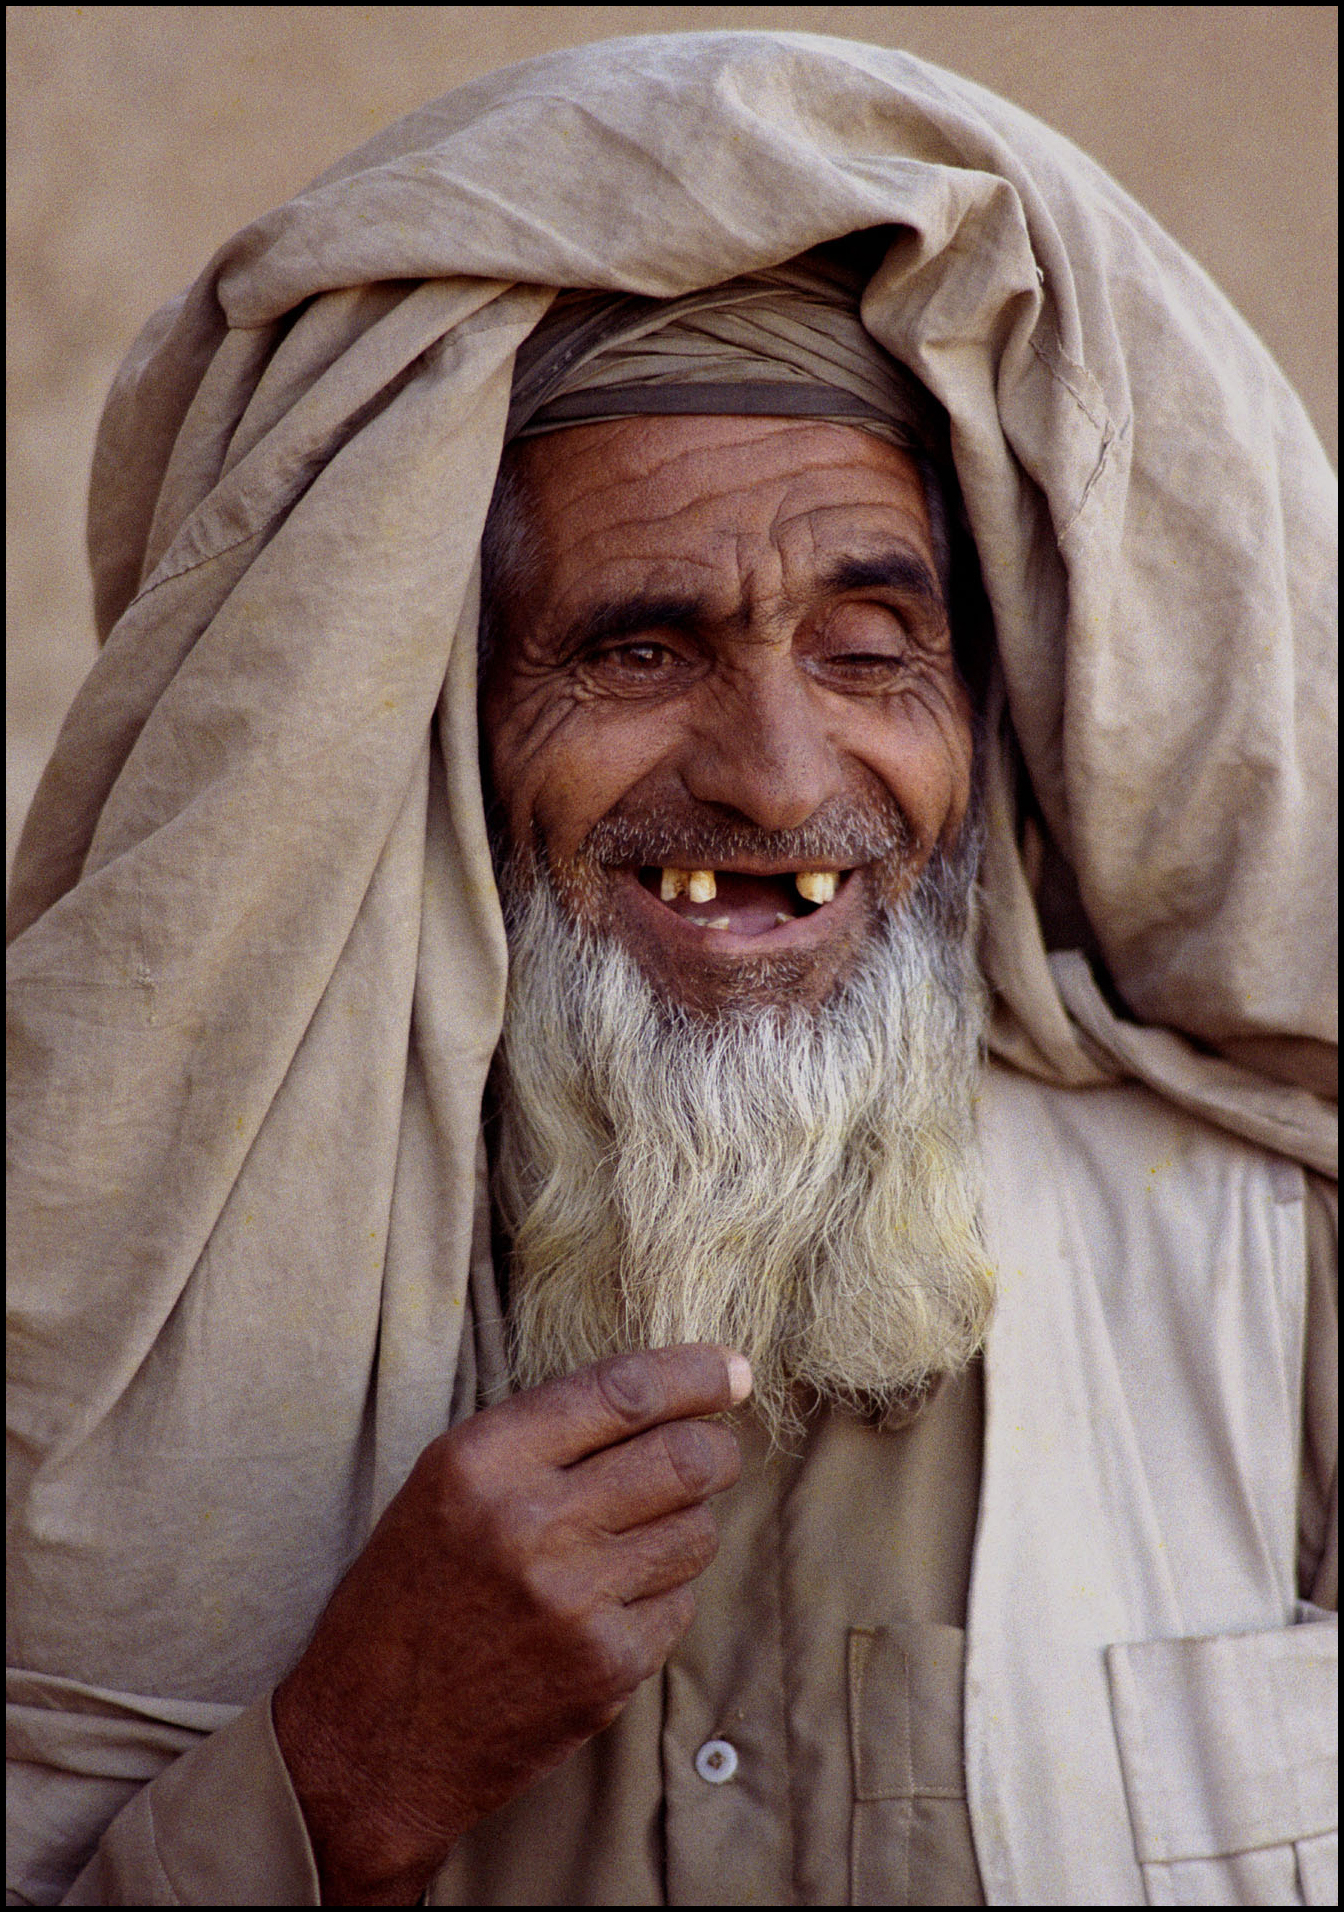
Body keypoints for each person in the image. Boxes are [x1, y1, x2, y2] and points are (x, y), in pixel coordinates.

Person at [6, 30, 1335, 1908]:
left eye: (873, 650)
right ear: (442, 727)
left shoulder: (1264, 1274)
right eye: (638, 653)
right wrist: (335, 1783)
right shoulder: (145, 1328)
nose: (783, 778)